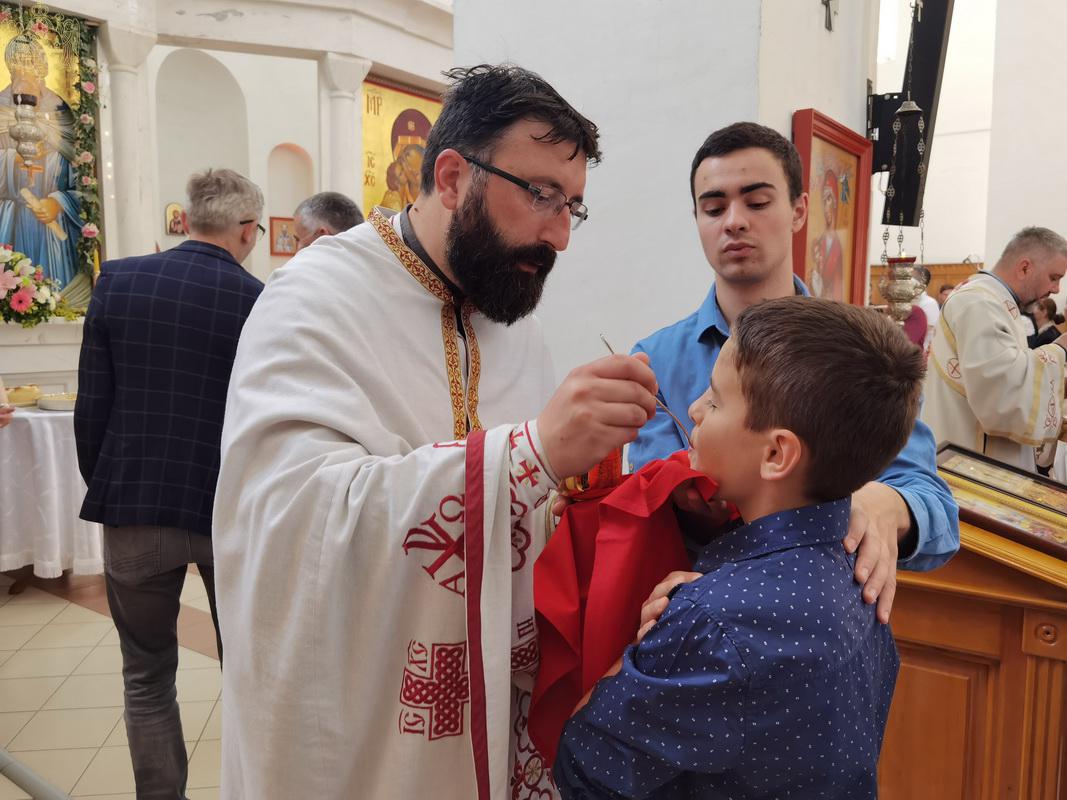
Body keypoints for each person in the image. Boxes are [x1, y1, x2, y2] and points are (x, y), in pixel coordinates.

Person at [213, 64, 658, 799]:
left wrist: (588, 493)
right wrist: (531, 453)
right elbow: (289, 526)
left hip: (497, 711)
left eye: (572, 206)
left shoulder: (515, 323)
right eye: (540, 194)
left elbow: (533, 522)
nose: (559, 235)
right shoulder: (316, 299)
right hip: (370, 735)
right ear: (451, 178)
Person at [555, 297, 923, 799]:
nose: (693, 409)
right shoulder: (861, 572)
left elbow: (583, 765)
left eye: (714, 400)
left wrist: (656, 641)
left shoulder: (709, 620)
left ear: (776, 453)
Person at [629, 122, 959, 626]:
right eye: (714, 208)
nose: (734, 222)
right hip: (700, 626)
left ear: (800, 210)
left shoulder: (852, 349)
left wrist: (886, 504)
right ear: (697, 219)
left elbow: (936, 509)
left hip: (825, 628)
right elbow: (643, 502)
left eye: (757, 202)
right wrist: (684, 504)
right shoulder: (656, 360)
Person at [74, 168, 264, 799]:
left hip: (135, 503)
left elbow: (92, 407)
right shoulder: (259, 301)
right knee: (247, 673)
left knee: (146, 675)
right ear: (246, 230)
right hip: (228, 512)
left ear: (186, 219)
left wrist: (112, 490)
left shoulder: (118, 281)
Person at [923, 226, 1067, 472]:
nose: (1056, 289)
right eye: (1054, 277)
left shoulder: (991, 299)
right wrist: (1060, 349)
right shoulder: (980, 303)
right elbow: (1002, 395)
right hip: (972, 466)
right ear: (1024, 268)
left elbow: (1003, 371)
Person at [0, 35, 82, 291]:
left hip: (52, 232)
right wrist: (13, 159)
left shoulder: (61, 115)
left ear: (42, 69)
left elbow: (84, 181)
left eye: (29, 63)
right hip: (10, 223)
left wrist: (58, 203)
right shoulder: (0, 110)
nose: (23, 71)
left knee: (54, 293)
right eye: (17, 65)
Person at [809, 168, 844, 300]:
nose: (826, 207)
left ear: (835, 203)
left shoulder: (837, 245)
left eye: (829, 199)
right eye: (823, 201)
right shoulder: (819, 241)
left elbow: (838, 291)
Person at [292, 190, 364, 251]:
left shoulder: (305, 262)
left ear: (322, 236)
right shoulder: (367, 254)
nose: (298, 248)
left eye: (298, 239)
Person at [912, 264, 940, 354]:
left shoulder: (929, 303)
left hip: (921, 351)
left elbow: (928, 329)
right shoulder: (907, 300)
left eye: (911, 278)